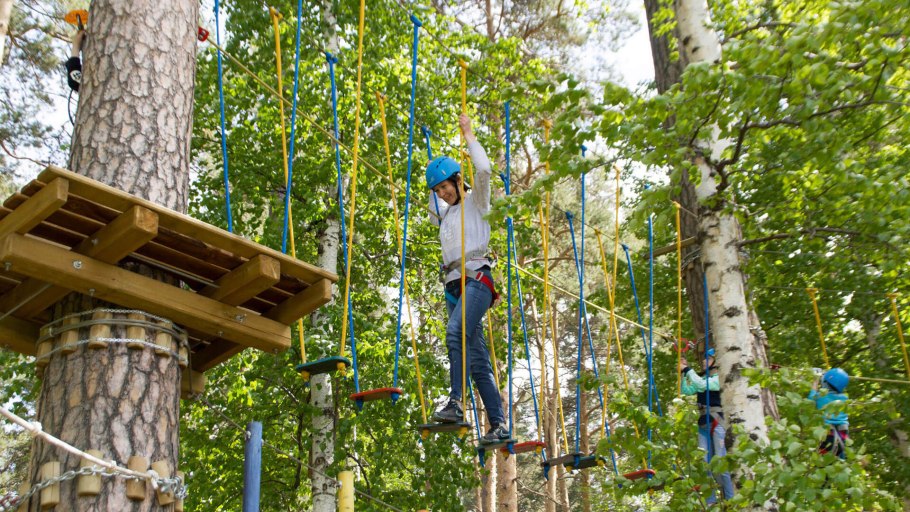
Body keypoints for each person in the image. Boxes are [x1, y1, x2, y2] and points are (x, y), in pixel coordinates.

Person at [426, 114, 508, 445]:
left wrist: (469, 134)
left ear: (458, 180)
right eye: (439, 190)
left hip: (477, 281)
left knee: (454, 331)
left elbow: (484, 170)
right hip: (455, 288)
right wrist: (429, 161)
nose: (443, 193)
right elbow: (431, 207)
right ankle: (499, 425)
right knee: (476, 361)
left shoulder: (477, 203)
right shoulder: (444, 216)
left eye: (446, 186)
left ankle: (456, 403)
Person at [680, 348, 736, 504]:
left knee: (721, 463)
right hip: (703, 423)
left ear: (716, 362)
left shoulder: (719, 378)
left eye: (708, 359)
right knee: (705, 464)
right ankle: (711, 502)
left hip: (717, 421)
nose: (704, 361)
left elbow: (700, 384)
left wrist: (687, 369)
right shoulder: (704, 378)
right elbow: (686, 390)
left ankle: (730, 500)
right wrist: (682, 373)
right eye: (704, 358)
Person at [809, 368, 849, 460]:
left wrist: (816, 379)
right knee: (839, 461)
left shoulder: (821, 397)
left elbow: (810, 401)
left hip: (827, 435)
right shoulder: (845, 399)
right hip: (843, 435)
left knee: (823, 463)